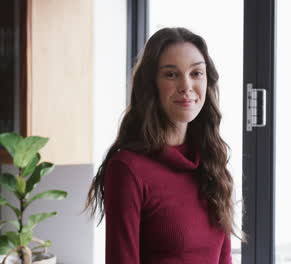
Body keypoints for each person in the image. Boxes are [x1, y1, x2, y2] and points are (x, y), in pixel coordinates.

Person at [83, 27, 244, 264]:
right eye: (171, 74)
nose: (186, 85)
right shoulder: (127, 168)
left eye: (196, 73)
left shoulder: (211, 161)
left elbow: (224, 259)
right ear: (152, 85)